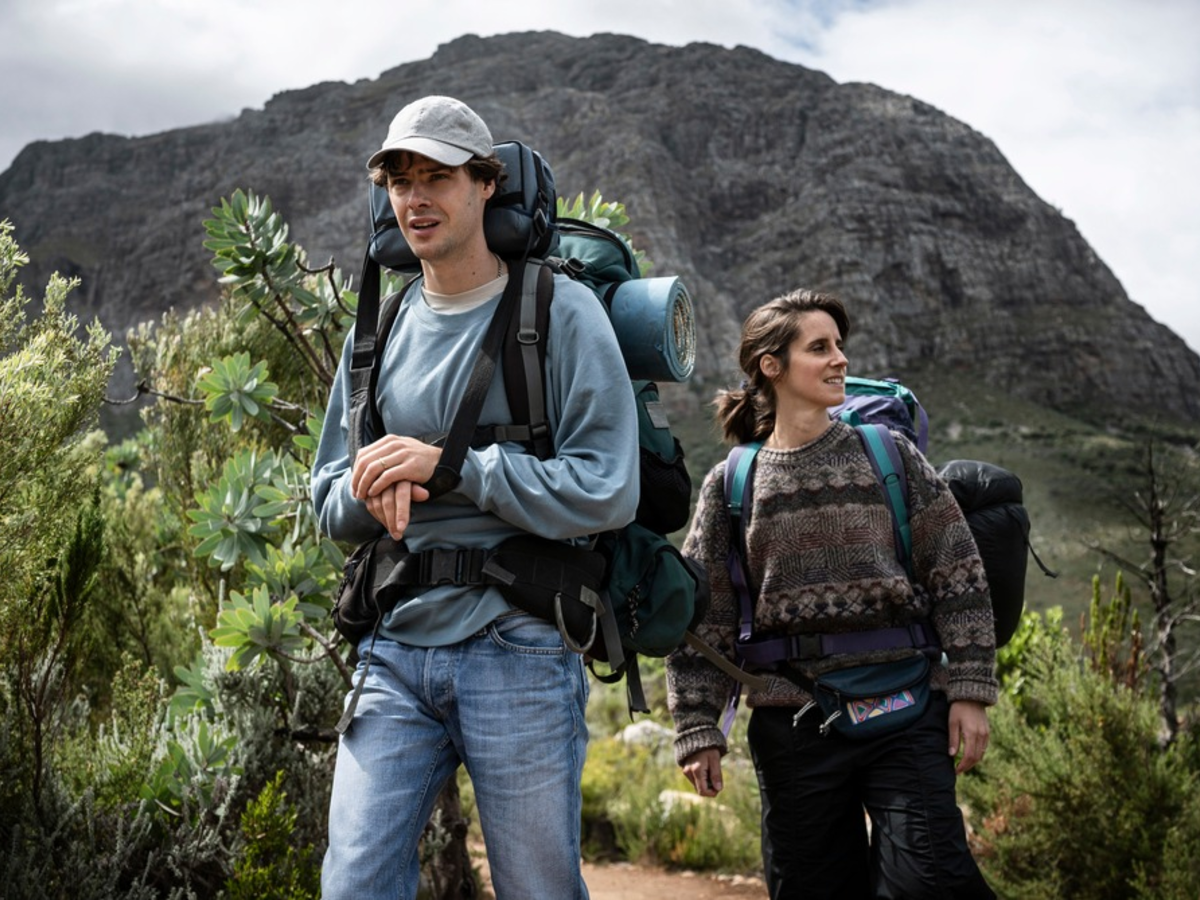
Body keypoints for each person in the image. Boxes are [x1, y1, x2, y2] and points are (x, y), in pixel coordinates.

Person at [312, 95, 639, 900]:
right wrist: (372, 482)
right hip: (395, 646)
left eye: (438, 177)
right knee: (353, 883)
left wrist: (454, 469)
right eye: (400, 181)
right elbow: (327, 501)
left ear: (486, 184)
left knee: (537, 888)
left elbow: (609, 488)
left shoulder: (558, 311)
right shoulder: (378, 331)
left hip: (519, 643)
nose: (416, 198)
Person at [666, 289, 998, 899]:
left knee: (931, 884)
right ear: (772, 366)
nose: (840, 359)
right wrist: (697, 725)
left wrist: (971, 691)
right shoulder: (732, 483)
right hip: (795, 723)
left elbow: (958, 570)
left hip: (907, 708)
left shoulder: (890, 456)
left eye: (839, 345)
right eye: (819, 348)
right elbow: (705, 616)